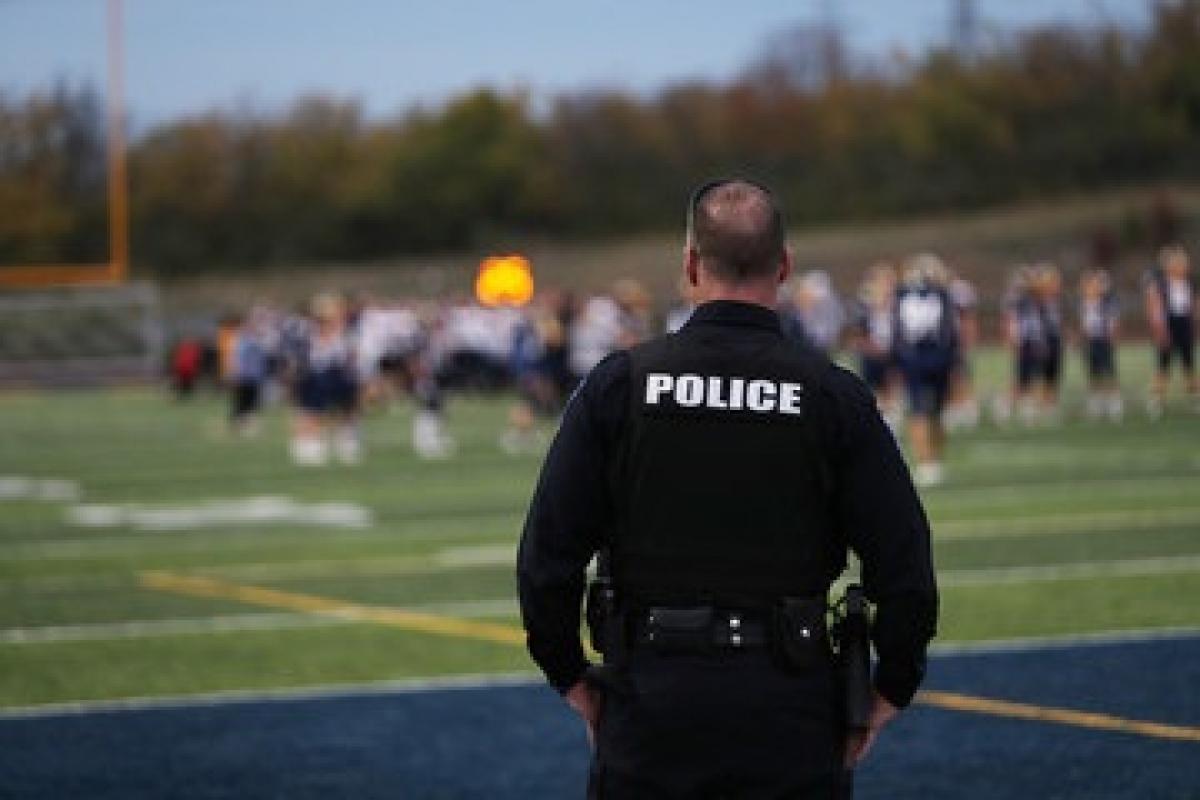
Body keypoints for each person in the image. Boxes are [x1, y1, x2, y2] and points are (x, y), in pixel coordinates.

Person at [517, 179, 938, 798]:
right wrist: (890, 687)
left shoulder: (621, 386)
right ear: (785, 266)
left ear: (690, 265)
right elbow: (904, 563)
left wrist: (572, 678)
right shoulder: (830, 395)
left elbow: (546, 556)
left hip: (650, 703)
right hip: (790, 706)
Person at [892, 253, 959, 487]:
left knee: (925, 410)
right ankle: (930, 460)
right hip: (930, 358)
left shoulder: (903, 295)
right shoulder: (941, 294)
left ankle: (928, 462)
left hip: (918, 359)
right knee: (928, 411)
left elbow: (898, 332)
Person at [1143, 244, 1197, 416]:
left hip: (1184, 323)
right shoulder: (1160, 284)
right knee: (1163, 364)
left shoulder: (1188, 283)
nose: (1184, 266)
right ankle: (1157, 400)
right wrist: (1160, 329)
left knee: (1189, 362)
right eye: (1180, 263)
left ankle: (1195, 397)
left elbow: (1193, 304)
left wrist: (1194, 319)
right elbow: (1155, 308)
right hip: (1168, 323)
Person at [1078, 269, 1122, 421]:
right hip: (1090, 341)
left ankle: (1114, 403)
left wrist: (1112, 338)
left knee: (1109, 371)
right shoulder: (1084, 303)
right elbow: (1083, 324)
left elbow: (1113, 322)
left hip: (1103, 339)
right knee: (1093, 372)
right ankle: (1096, 403)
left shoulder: (1107, 303)